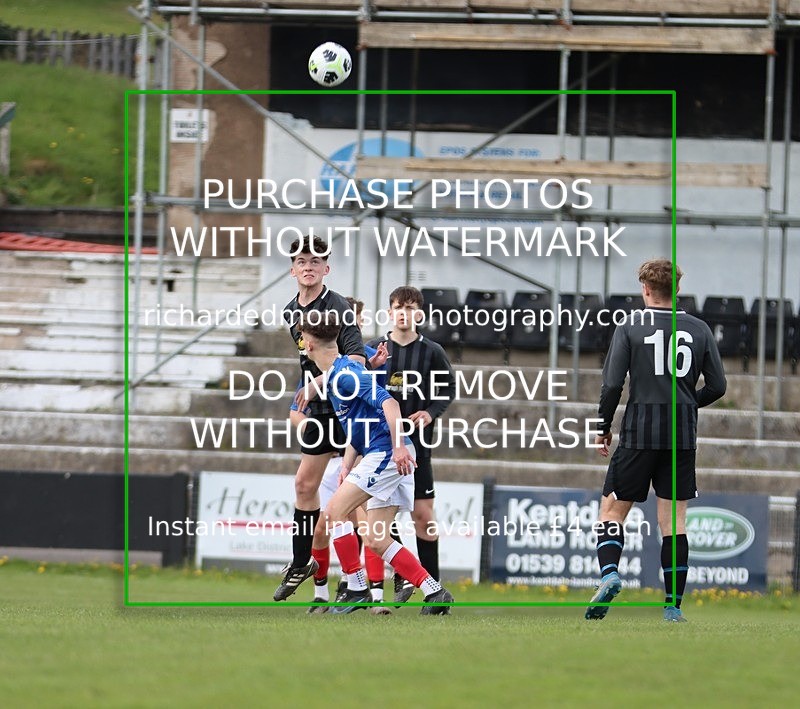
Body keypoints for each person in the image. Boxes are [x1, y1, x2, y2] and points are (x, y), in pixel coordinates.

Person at [585, 258, 726, 622]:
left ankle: (610, 574)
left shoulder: (630, 325)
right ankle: (672, 607)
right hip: (681, 436)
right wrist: (688, 404)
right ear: (676, 290)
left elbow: (613, 384)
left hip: (638, 433)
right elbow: (718, 386)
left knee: (612, 510)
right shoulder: (699, 329)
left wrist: (603, 427)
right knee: (674, 522)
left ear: (645, 289)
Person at [297, 309, 454, 615]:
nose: (301, 343)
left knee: (332, 513)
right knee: (376, 539)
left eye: (302, 338)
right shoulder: (337, 373)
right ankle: (434, 591)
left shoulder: (345, 374)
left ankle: (356, 587)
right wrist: (347, 462)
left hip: (387, 455)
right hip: (380, 454)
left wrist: (397, 448)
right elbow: (362, 424)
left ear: (309, 345)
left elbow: (389, 403)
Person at [273, 236, 366, 602]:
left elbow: (355, 360)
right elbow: (306, 360)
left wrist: (317, 387)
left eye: (315, 261)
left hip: (346, 406)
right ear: (292, 269)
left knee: (358, 499)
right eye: (301, 260)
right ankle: (302, 563)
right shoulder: (289, 311)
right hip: (317, 412)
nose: (308, 266)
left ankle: (374, 580)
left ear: (326, 268)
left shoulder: (338, 306)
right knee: (303, 486)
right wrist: (304, 399)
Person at [367, 286, 456, 604]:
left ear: (419, 313)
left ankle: (434, 589)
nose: (403, 313)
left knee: (423, 515)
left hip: (419, 446)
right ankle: (404, 574)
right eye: (397, 307)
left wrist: (431, 413)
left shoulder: (432, 351)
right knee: (378, 518)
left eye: (410, 307)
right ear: (389, 312)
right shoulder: (375, 351)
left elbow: (447, 389)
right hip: (381, 448)